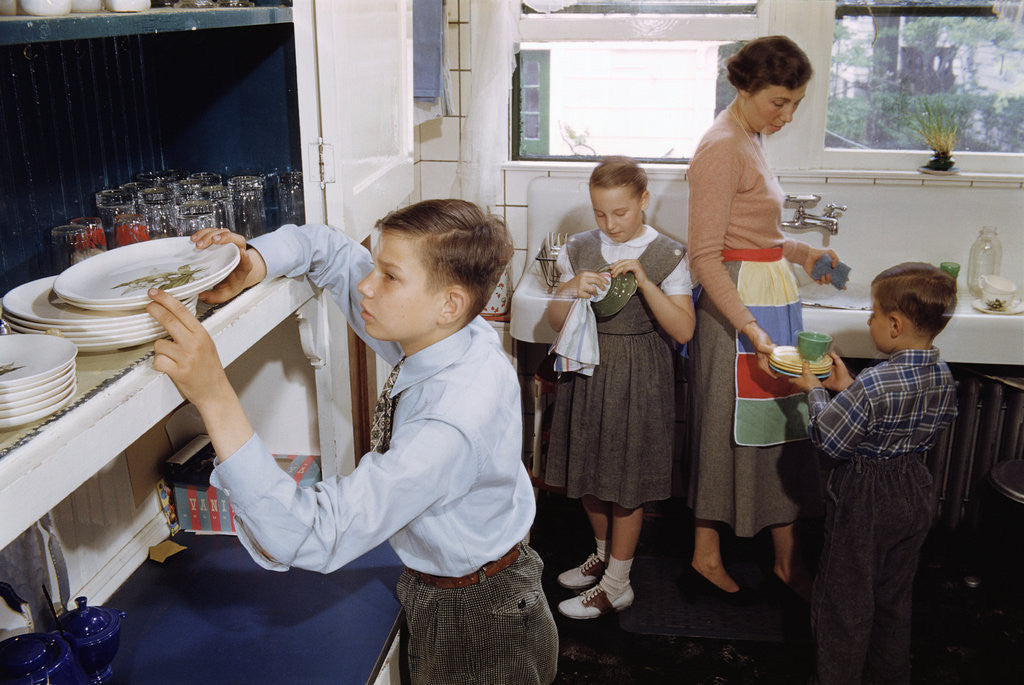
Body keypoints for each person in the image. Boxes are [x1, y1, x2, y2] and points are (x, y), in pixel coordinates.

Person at [145, 200, 559, 685]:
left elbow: (311, 533)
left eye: (389, 276)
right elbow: (329, 250)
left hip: (476, 629)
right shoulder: (454, 337)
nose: (367, 283)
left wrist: (214, 396)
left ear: (450, 303)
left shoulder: (449, 425)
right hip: (489, 588)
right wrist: (250, 263)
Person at [686, 35, 842, 603]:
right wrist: (750, 328)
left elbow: (757, 233)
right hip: (739, 314)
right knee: (728, 434)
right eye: (780, 101)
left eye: (796, 103)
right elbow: (705, 256)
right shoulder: (722, 146)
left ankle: (784, 561)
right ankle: (706, 556)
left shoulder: (750, 137)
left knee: (784, 428)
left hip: (767, 300)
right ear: (743, 87)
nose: (788, 114)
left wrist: (805, 255)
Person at [787, 262, 958, 685]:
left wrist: (813, 391)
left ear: (895, 324)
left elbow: (830, 440)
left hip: (867, 497)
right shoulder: (943, 373)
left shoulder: (876, 381)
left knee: (844, 603)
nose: (869, 321)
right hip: (915, 487)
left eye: (874, 313)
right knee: (893, 600)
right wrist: (847, 389)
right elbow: (909, 419)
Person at [544, 156, 696, 619]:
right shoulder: (578, 247)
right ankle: (604, 557)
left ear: (643, 201)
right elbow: (553, 320)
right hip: (588, 368)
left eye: (621, 213)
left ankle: (617, 584)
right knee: (589, 472)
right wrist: (570, 288)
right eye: (600, 213)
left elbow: (684, 330)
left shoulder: (669, 254)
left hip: (640, 373)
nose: (609, 224)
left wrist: (646, 283)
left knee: (625, 482)